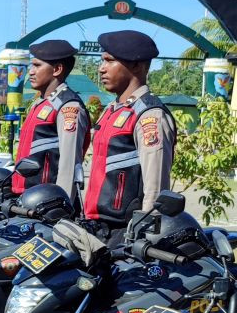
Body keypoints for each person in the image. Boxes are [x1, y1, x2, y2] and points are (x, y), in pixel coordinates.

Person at [84, 30, 175, 227]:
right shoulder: (112, 110)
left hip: (123, 231)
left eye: (109, 61)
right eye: (102, 61)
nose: (101, 69)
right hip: (97, 225)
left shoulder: (149, 115)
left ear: (136, 65)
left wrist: (145, 229)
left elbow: (155, 186)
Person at [11, 40, 91, 203]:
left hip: (48, 204)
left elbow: (69, 165)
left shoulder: (68, 107)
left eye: (37, 66)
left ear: (57, 69)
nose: (31, 72)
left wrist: (61, 206)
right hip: (28, 198)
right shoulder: (41, 103)